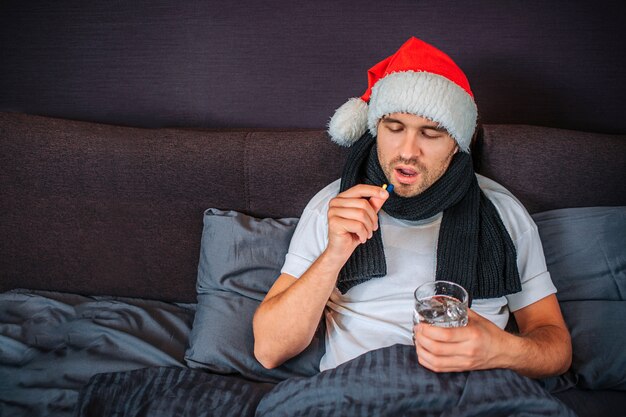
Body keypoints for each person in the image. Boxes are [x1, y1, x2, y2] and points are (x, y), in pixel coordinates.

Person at [252, 37, 572, 378]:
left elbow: (556, 350)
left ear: (457, 144)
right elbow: (270, 350)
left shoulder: (503, 212)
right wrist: (334, 253)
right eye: (394, 128)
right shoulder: (336, 207)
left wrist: (500, 348)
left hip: (473, 394)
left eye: (431, 133)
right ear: (375, 130)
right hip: (356, 389)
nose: (408, 151)